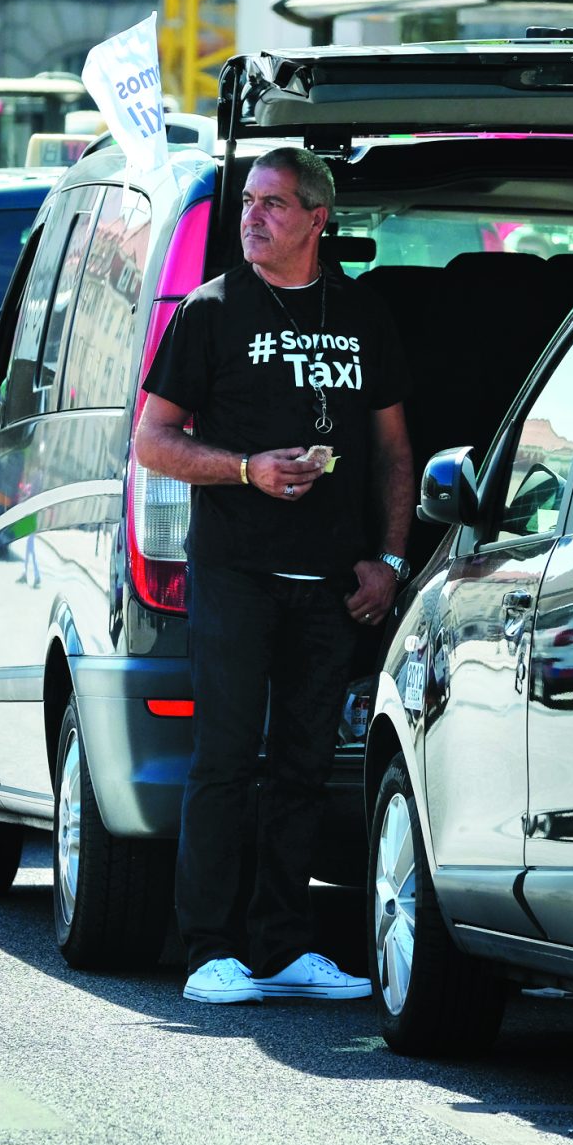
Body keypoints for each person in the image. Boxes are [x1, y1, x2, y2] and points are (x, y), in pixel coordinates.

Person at [132, 146, 415, 1006]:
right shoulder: (209, 313)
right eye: (248, 202)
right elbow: (153, 441)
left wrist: (391, 562)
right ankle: (209, 950)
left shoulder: (363, 317)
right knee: (224, 758)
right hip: (237, 573)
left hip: (332, 583)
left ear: (318, 219)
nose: (253, 218)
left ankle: (285, 946)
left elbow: (395, 452)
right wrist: (248, 468)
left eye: (275, 205)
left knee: (299, 764)